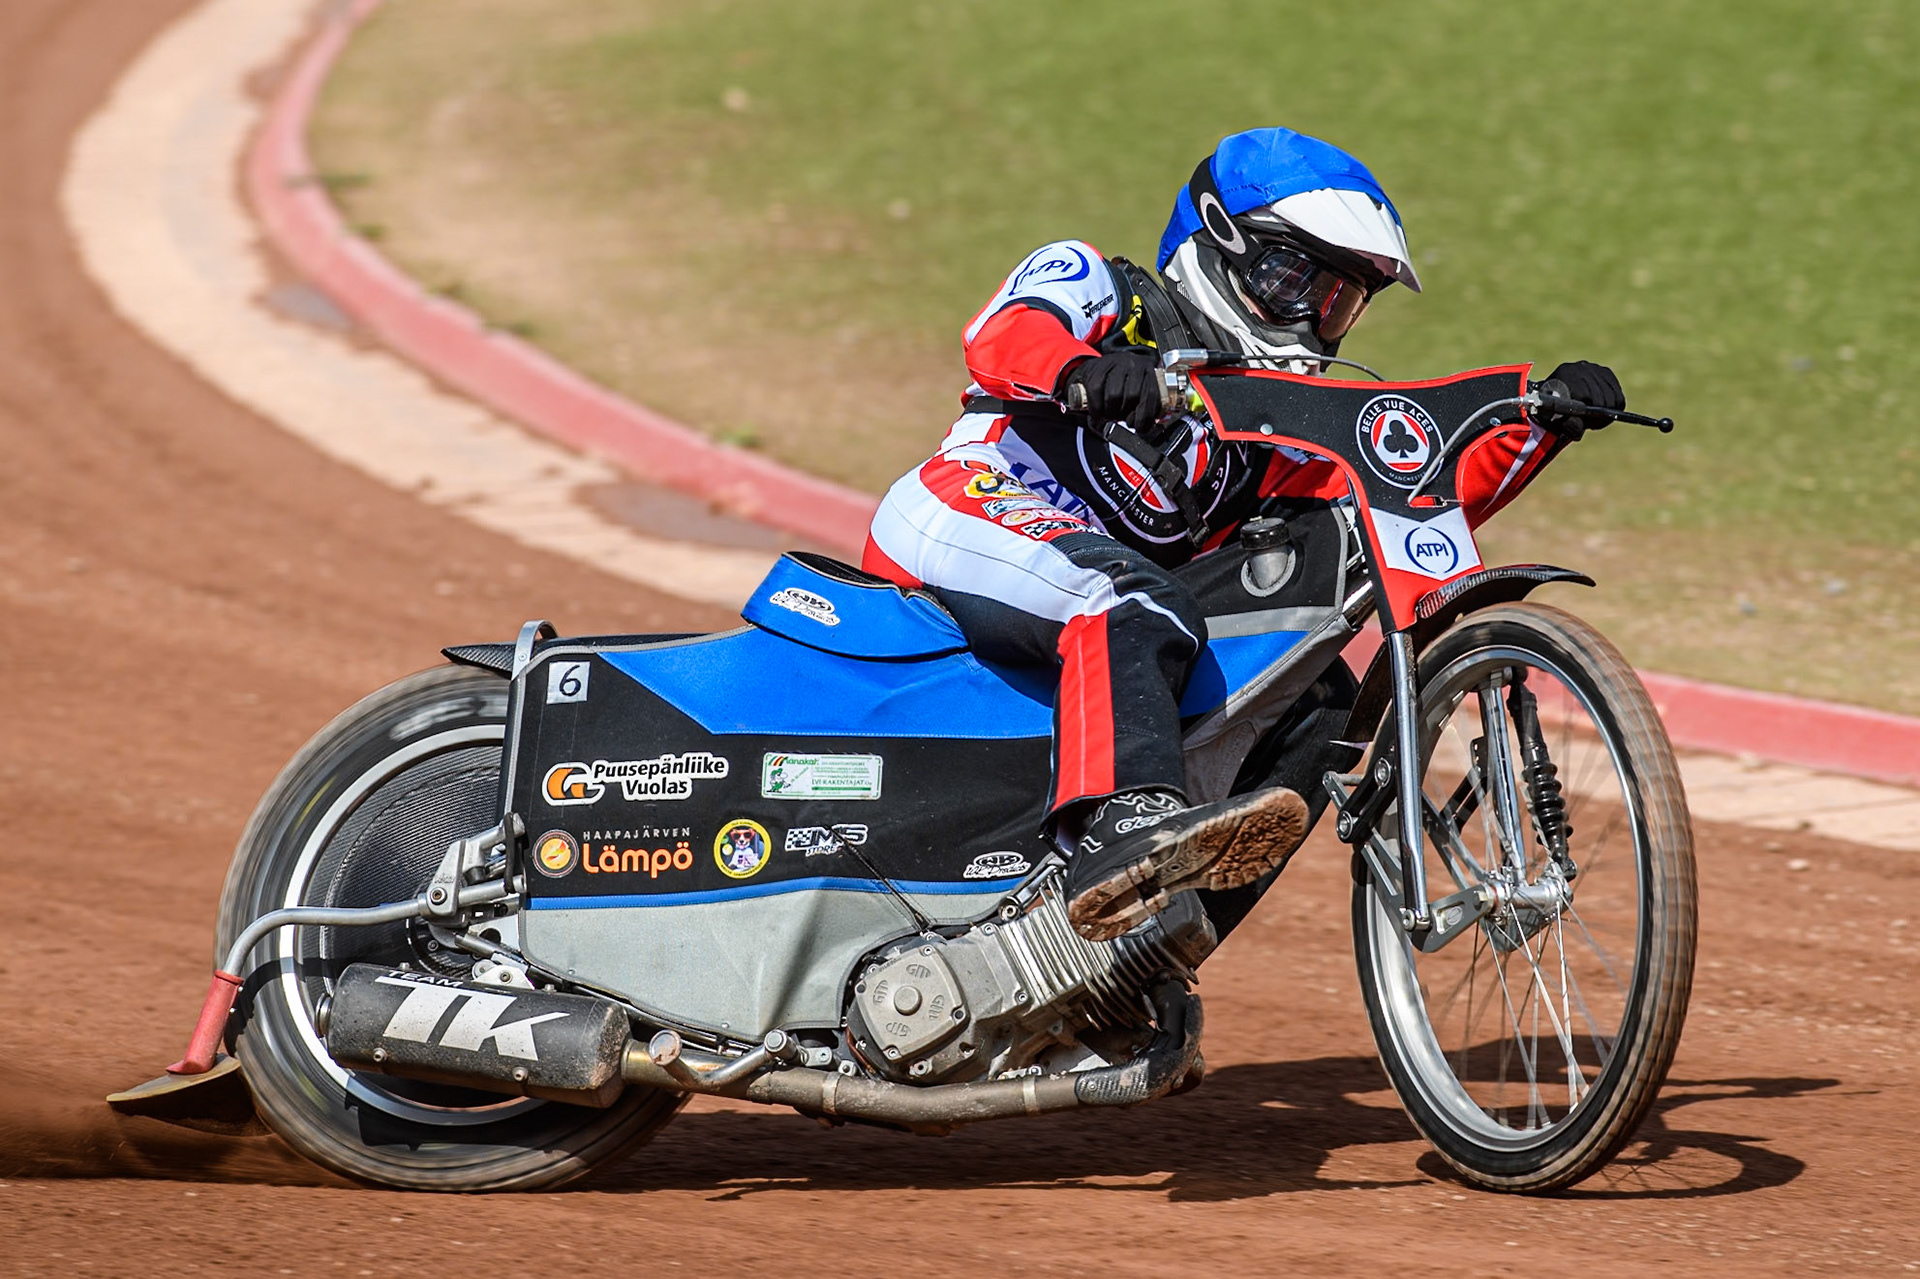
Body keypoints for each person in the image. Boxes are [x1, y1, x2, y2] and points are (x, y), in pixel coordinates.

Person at [862, 127, 1623, 942]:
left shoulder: (1272, 433)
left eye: (1336, 301)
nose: (1310, 319)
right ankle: (1126, 825)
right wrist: (1084, 372)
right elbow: (1004, 334)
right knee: (1129, 595)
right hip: (965, 504)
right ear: (1218, 236)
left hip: (1101, 594)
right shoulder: (1103, 286)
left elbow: (1396, 499)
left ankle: (1148, 958)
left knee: (1314, 689)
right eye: (1294, 278)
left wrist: (1537, 427)